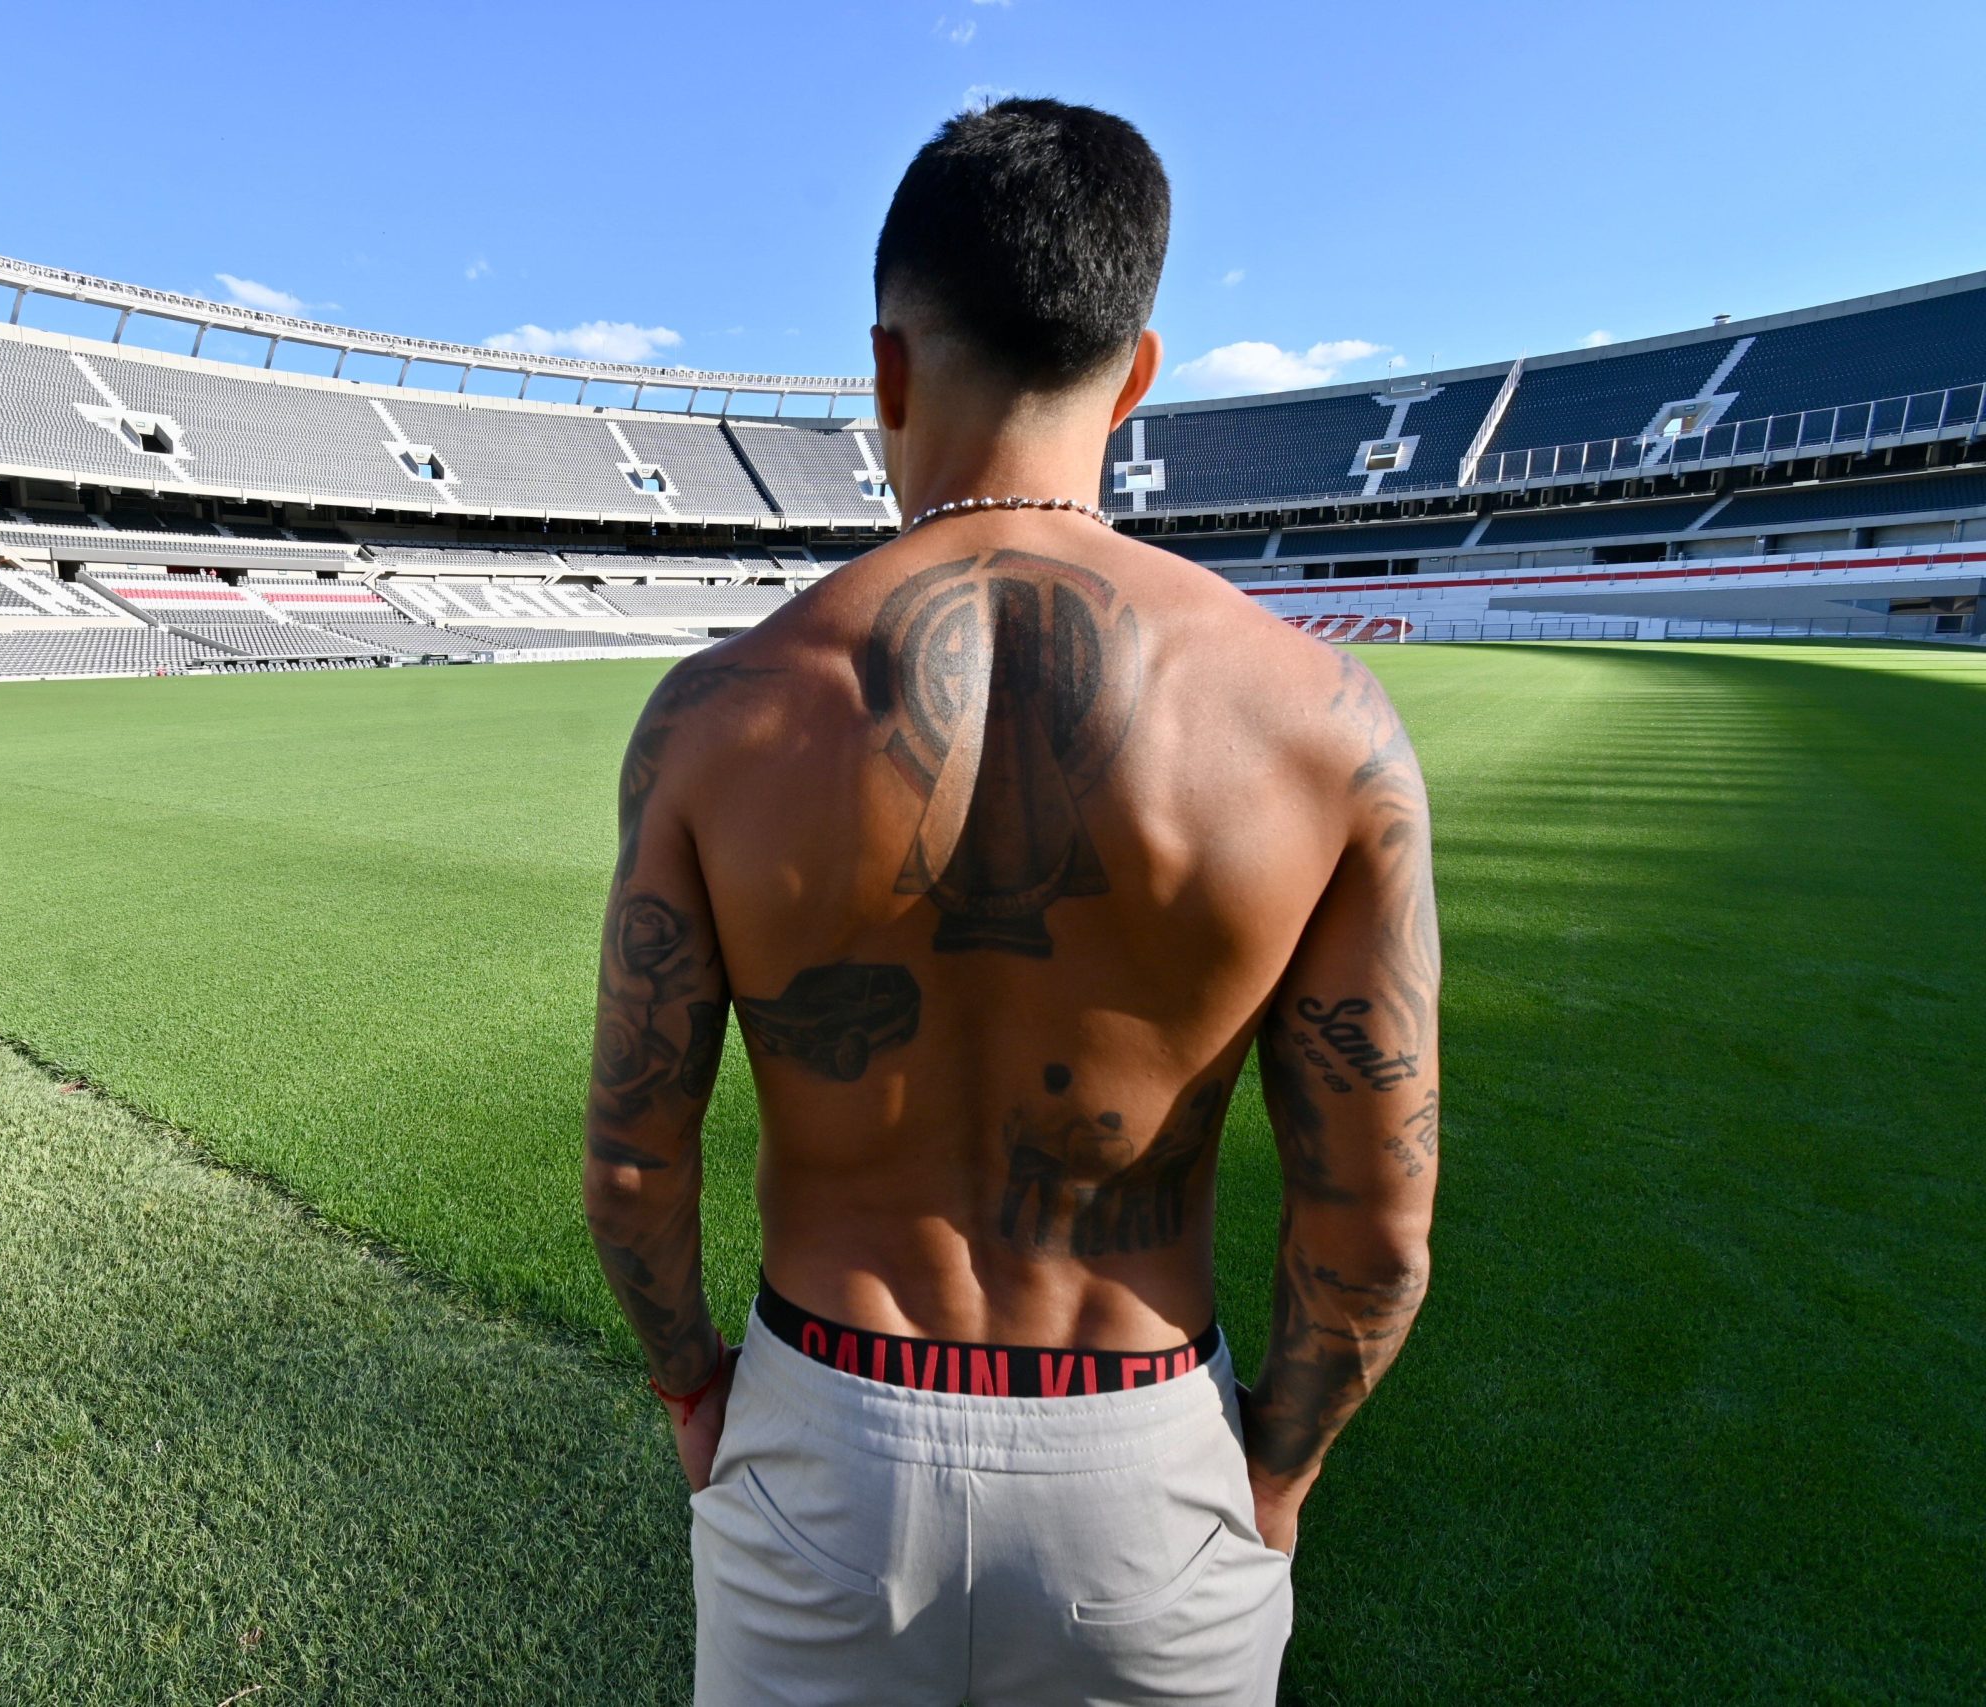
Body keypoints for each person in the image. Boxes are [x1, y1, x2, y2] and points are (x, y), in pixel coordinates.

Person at [581, 97, 1440, 1706]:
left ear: (888, 372)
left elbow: (634, 1163)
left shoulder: (719, 716)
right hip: (1144, 1453)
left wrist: (695, 1388)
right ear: (1136, 373)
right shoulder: (1323, 731)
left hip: (822, 1433)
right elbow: (1375, 1229)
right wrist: (1281, 1473)